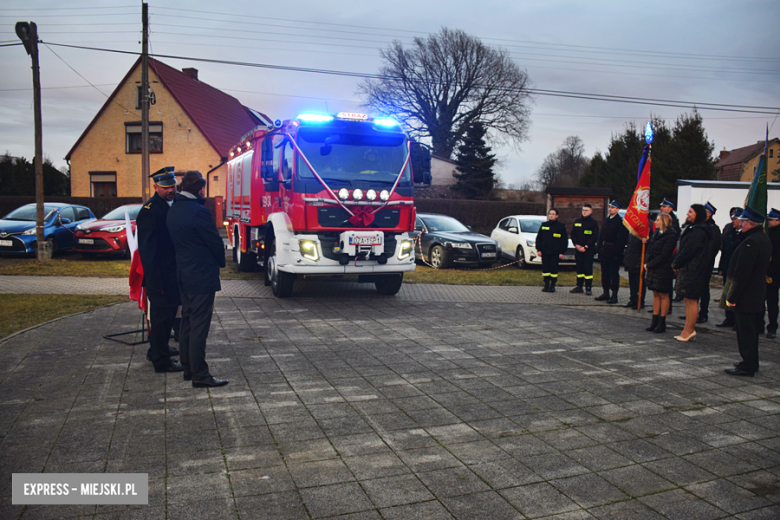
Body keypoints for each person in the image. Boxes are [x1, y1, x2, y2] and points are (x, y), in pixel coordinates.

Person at [166, 171, 228, 388]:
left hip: (183, 274)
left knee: (187, 324)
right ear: (201, 189)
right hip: (201, 276)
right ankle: (200, 375)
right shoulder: (198, 212)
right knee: (199, 327)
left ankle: (188, 368)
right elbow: (214, 241)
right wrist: (220, 262)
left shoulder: (174, 210)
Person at [136, 166, 182, 374]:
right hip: (161, 277)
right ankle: (161, 362)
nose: (170, 190)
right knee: (162, 318)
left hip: (172, 274)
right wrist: (155, 282)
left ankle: (158, 348)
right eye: (165, 187)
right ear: (155, 187)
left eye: (172, 186)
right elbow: (148, 252)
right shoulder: (150, 211)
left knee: (169, 315)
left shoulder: (173, 204)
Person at [724, 206, 772, 376]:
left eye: (743, 221)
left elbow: (742, 273)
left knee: (746, 332)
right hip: (756, 292)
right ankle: (750, 362)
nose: (741, 224)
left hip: (747, 294)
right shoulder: (763, 238)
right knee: (750, 331)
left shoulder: (750, 242)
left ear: (751, 223)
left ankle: (748, 365)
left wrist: (732, 296)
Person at [671, 204, 712, 342]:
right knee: (688, 299)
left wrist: (676, 263)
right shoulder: (692, 228)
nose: (688, 214)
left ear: (698, 214)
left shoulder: (699, 231)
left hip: (694, 269)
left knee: (692, 299)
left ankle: (689, 330)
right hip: (688, 268)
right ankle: (687, 329)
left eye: (691, 212)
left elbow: (688, 250)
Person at [644, 213, 678, 333]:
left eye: (658, 220)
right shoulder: (656, 233)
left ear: (664, 221)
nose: (655, 222)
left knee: (664, 295)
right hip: (654, 268)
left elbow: (665, 255)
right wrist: (647, 262)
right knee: (656, 294)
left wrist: (650, 264)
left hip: (664, 269)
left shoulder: (671, 236)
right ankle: (654, 320)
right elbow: (651, 249)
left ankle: (662, 322)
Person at [595, 201, 628, 304]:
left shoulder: (620, 222)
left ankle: (614, 295)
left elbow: (621, 240)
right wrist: (599, 248)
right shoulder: (606, 220)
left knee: (613, 274)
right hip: (604, 250)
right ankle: (605, 292)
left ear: (617, 210)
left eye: (613, 208)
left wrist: (617, 254)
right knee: (605, 274)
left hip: (613, 251)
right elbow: (601, 236)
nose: (610, 209)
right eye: (610, 207)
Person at [716, 207, 743, 328]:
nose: (733, 221)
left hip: (738, 269)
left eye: (735, 218)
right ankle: (729, 318)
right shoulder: (729, 229)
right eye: (732, 218)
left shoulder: (745, 234)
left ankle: (738, 320)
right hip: (728, 267)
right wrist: (721, 267)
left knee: (736, 295)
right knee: (727, 293)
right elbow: (724, 250)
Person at [695, 202, 722, 323]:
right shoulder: (698, 226)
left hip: (705, 265)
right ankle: (693, 311)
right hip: (695, 265)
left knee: (704, 290)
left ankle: (703, 313)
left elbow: (712, 249)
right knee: (693, 290)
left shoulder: (713, 229)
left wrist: (704, 262)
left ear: (709, 214)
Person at [536, 208, 568, 293]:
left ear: (557, 216)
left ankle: (552, 286)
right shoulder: (544, 225)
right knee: (545, 269)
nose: (551, 215)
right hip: (545, 251)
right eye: (550, 214)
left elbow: (564, 240)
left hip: (555, 252)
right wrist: (538, 249)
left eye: (553, 214)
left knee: (554, 270)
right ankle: (546, 285)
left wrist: (562, 252)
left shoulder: (561, 226)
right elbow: (539, 238)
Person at [570, 204, 599, 295]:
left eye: (586, 210)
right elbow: (573, 234)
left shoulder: (593, 223)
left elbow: (594, 236)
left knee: (588, 269)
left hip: (588, 250)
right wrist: (577, 245)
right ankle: (579, 286)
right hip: (579, 249)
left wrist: (586, 246)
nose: (584, 212)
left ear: (591, 211)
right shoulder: (577, 221)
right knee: (579, 268)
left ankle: (588, 287)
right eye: (583, 210)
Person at [764, 208, 780, 339]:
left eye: (771, 219)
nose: (768, 221)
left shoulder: (777, 235)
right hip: (765, 272)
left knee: (772, 302)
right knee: (760, 300)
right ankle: (759, 324)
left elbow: (777, 257)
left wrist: (769, 272)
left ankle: (773, 326)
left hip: (774, 274)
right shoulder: (768, 233)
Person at [623, 232, 647, 309]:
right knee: (632, 282)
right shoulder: (632, 234)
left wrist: (640, 262)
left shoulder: (643, 234)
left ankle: (640, 301)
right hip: (631, 261)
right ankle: (633, 299)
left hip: (638, 262)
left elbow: (644, 250)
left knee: (639, 283)